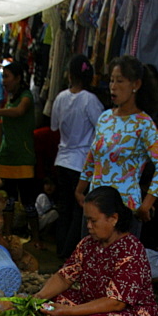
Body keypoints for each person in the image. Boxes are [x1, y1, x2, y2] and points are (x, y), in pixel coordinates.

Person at [35, 186, 157, 316]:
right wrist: (36, 298)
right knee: (51, 304)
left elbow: (116, 302)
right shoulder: (88, 244)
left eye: (93, 221)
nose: (88, 226)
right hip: (94, 307)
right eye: (87, 221)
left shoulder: (131, 250)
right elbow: (64, 277)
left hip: (132, 315)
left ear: (113, 218)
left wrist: (66, 311)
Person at [75, 55, 158, 238]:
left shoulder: (144, 124)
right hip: (94, 208)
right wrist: (80, 189)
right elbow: (92, 156)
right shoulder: (105, 118)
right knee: (90, 263)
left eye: (120, 81)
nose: (113, 86)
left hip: (124, 210)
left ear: (136, 85)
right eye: (111, 80)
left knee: (118, 265)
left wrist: (147, 204)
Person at [50, 54, 104, 258]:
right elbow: (103, 128)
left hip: (62, 159)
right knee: (78, 212)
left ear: (70, 75)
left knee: (64, 209)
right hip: (81, 162)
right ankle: (69, 254)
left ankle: (60, 252)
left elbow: (54, 125)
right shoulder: (90, 100)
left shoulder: (61, 97)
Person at [0, 61, 40, 246]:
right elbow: (0, 133)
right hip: (7, 157)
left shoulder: (26, 96)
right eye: (3, 77)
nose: (4, 81)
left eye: (7, 76)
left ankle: (36, 240)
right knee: (8, 201)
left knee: (28, 201)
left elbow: (19, 111)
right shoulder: (8, 100)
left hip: (23, 156)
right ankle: (6, 238)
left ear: (18, 78)